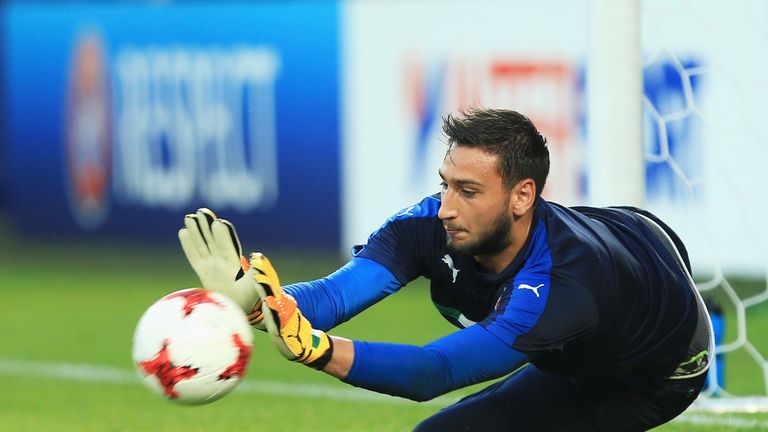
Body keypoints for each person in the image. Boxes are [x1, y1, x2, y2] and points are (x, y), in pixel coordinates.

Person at [178, 108, 714, 431]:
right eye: (445, 183)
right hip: (633, 248)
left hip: (650, 375)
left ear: (522, 195)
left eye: (469, 191)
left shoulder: (559, 287)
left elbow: (434, 373)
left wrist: (318, 350)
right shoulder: (431, 225)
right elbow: (334, 297)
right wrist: (257, 303)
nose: (446, 207)